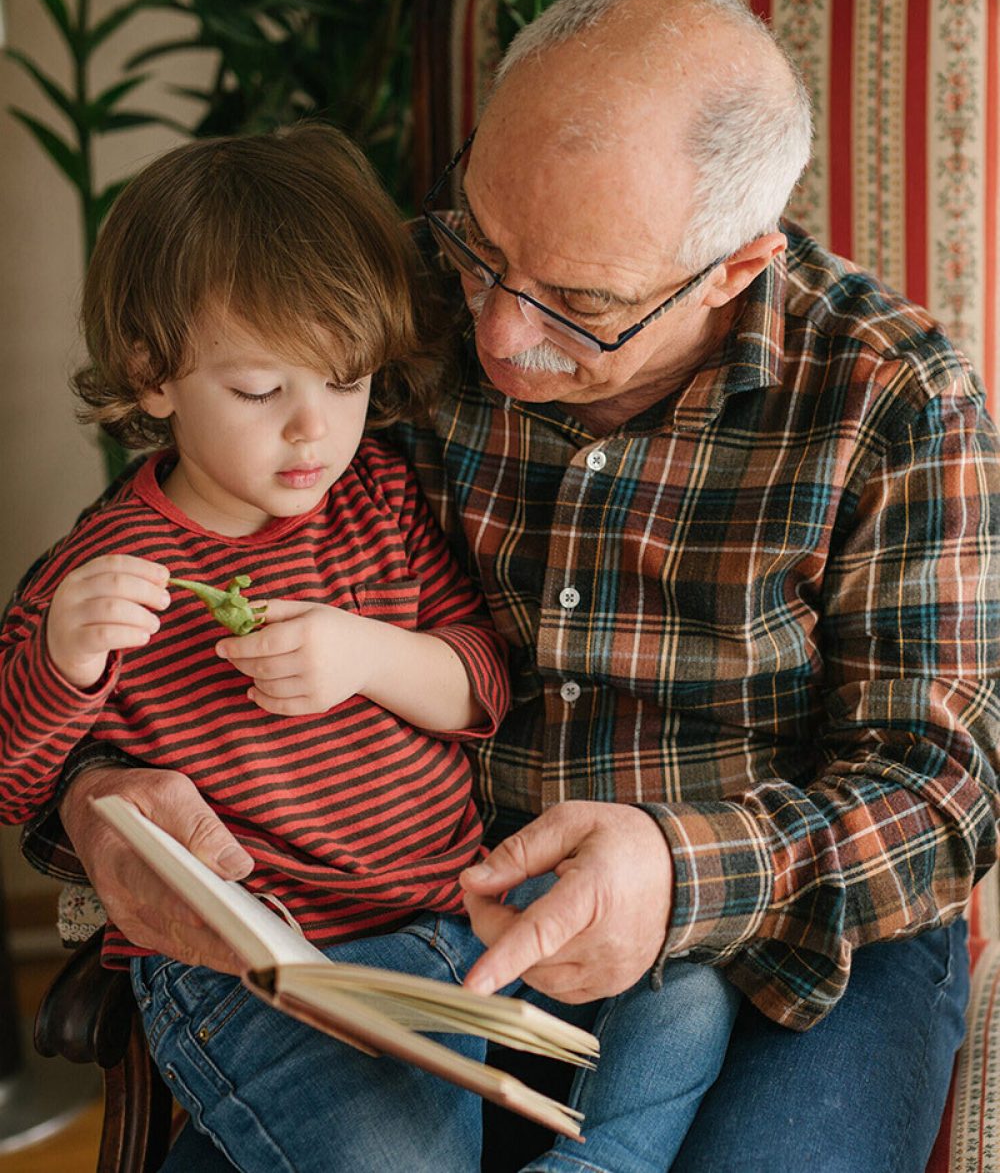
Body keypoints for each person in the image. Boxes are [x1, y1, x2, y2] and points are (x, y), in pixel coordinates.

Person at [15, 0, 1000, 1170]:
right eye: (483, 248)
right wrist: (99, 799)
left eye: (579, 306)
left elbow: (944, 793)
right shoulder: (387, 300)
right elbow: (114, 630)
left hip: (782, 933)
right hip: (422, 922)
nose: (493, 336)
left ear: (733, 269)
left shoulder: (895, 399)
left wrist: (676, 872)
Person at [1, 121, 742, 1173]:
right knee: (389, 1154)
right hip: (272, 974)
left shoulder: (379, 501)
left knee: (686, 987)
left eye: (343, 383)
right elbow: (16, 780)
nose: (314, 431)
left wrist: (370, 654)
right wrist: (62, 663)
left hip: (463, 912)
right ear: (152, 374)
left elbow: (484, 684)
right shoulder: (102, 576)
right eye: (261, 393)